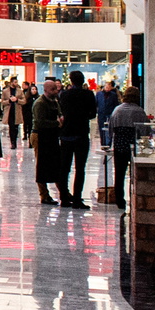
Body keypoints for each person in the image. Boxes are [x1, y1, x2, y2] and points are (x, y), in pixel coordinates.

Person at [57, 70, 98, 209]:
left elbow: (60, 111)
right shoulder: (88, 94)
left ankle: (63, 198)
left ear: (71, 80)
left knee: (64, 168)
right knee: (80, 168)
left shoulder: (65, 95)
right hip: (81, 134)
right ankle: (77, 198)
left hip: (67, 133)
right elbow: (93, 113)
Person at [107, 86, 151, 208]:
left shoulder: (117, 110)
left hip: (119, 145)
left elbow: (111, 130)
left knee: (119, 174)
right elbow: (145, 131)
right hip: (134, 147)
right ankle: (135, 198)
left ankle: (119, 200)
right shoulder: (139, 111)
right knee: (135, 174)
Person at [32, 78, 65, 204]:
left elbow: (59, 114)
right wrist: (57, 123)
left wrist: (60, 119)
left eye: (56, 88)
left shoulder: (54, 102)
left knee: (56, 164)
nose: (56, 91)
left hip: (51, 136)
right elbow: (40, 122)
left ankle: (63, 192)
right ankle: (44, 195)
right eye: (53, 89)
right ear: (46, 90)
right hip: (40, 136)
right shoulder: (40, 103)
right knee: (41, 164)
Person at [95, 78, 120, 150]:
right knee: (101, 129)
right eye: (106, 86)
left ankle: (108, 143)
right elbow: (96, 104)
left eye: (109, 86)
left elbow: (116, 105)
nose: (107, 88)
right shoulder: (99, 94)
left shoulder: (113, 95)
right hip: (101, 114)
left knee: (109, 129)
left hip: (110, 114)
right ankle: (103, 143)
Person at [2, 79, 25, 149]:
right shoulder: (5, 91)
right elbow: (2, 102)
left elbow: (24, 101)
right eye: (15, 82)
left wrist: (17, 100)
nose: (16, 83)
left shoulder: (20, 91)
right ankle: (13, 142)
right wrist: (9, 101)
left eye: (17, 82)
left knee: (16, 127)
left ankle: (15, 140)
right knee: (11, 127)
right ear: (11, 82)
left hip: (17, 111)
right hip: (9, 112)